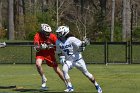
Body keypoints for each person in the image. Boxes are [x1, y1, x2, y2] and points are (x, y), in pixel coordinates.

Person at [55, 26, 102, 93]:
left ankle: (97, 85)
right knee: (64, 70)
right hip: (69, 60)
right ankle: (70, 86)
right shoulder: (58, 42)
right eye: (58, 33)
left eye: (59, 33)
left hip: (78, 60)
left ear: (64, 32)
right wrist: (61, 58)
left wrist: (83, 44)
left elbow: (81, 48)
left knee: (87, 74)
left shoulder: (72, 39)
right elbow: (59, 52)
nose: (58, 34)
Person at [34, 24, 67, 90]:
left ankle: (67, 83)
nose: (48, 34)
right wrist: (41, 47)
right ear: (43, 31)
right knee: (38, 64)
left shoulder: (53, 36)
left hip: (50, 55)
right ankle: (43, 78)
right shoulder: (37, 35)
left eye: (49, 32)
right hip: (41, 53)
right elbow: (36, 47)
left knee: (57, 70)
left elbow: (58, 45)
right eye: (46, 32)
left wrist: (51, 46)